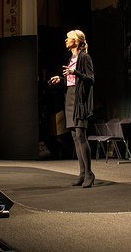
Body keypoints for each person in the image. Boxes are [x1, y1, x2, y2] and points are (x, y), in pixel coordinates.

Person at [49, 30, 95, 188]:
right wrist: (61, 79)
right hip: (69, 97)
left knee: (81, 135)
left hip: (79, 100)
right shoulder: (71, 58)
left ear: (76, 42)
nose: (66, 40)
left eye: (69, 39)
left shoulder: (85, 57)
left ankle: (89, 173)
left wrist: (75, 72)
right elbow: (71, 80)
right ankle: (82, 173)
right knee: (75, 136)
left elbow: (90, 79)